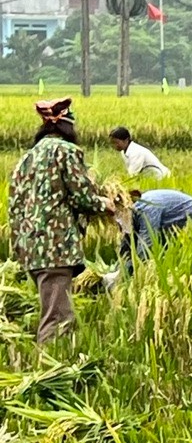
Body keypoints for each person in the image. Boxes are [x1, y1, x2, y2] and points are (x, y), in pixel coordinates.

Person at [7, 98, 115, 344]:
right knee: (57, 318)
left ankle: (51, 363)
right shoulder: (67, 152)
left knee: (54, 310)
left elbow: (14, 204)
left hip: (31, 249)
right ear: (67, 127)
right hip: (55, 248)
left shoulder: (27, 158)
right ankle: (48, 370)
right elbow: (82, 197)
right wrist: (105, 204)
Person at [119, 188, 192, 269]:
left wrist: (127, 274)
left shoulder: (146, 208)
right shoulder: (129, 215)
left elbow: (146, 247)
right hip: (174, 229)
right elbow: (126, 247)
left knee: (188, 260)